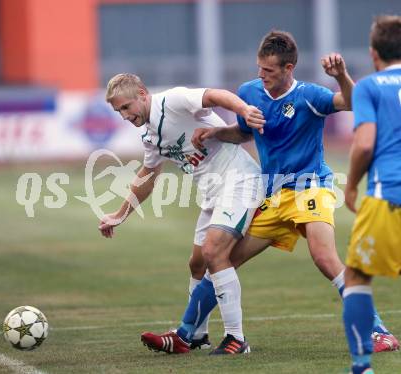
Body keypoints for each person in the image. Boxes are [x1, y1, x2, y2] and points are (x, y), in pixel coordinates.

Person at [143, 30, 397, 354]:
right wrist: (217, 132)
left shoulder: (310, 95)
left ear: (289, 68)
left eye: (270, 71)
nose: (261, 76)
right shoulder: (250, 91)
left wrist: (341, 76)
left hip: (310, 187)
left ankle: (378, 331)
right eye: (259, 68)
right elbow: (243, 133)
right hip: (273, 194)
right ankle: (186, 332)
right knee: (222, 259)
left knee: (323, 257)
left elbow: (349, 102)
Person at [99, 73, 265, 354]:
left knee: (214, 252)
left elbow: (214, 94)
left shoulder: (173, 100)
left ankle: (236, 338)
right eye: (119, 112)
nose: (124, 115)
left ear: (141, 93)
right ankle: (197, 336)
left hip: (239, 181)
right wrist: (120, 214)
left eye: (126, 107)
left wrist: (243, 110)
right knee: (197, 263)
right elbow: (148, 176)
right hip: (213, 193)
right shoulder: (150, 134)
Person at [342, 15, 401, 374]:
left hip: (388, 195)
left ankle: (362, 367)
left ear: (373, 53)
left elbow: (364, 145)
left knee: (357, 277)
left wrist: (349, 184)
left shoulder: (370, 86)